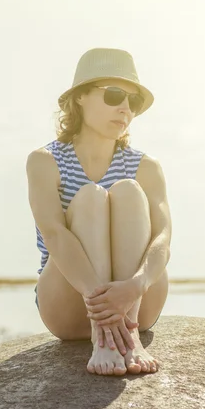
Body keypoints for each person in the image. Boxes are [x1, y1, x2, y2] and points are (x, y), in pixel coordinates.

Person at [25, 48, 172, 376]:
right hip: (72, 303)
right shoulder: (45, 161)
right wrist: (102, 303)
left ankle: (128, 335)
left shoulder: (146, 167)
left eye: (132, 102)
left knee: (128, 192)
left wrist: (135, 286)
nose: (125, 108)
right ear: (80, 98)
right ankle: (104, 332)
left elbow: (163, 238)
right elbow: (54, 234)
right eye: (115, 95)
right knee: (91, 197)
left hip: (138, 302)